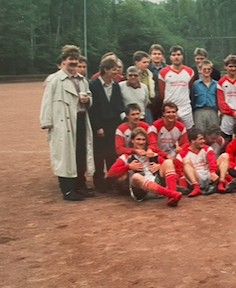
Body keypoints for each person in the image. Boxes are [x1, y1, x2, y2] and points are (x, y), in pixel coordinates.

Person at [40, 45, 94, 201]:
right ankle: (68, 190)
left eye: (76, 59)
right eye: (70, 59)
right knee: (65, 156)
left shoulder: (82, 80)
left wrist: (88, 100)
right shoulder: (55, 79)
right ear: (63, 61)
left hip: (80, 120)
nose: (73, 62)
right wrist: (47, 122)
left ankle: (80, 186)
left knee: (80, 154)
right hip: (63, 123)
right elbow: (47, 102)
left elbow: (89, 96)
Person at [106, 127, 182, 207]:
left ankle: (172, 198)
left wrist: (160, 166)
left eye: (143, 140)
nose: (141, 142)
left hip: (158, 187)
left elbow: (172, 169)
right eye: (138, 139)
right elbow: (110, 173)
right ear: (132, 140)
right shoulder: (126, 157)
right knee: (135, 177)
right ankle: (171, 193)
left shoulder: (151, 154)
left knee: (168, 162)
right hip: (141, 192)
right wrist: (129, 167)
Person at [89, 57, 126, 193]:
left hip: (113, 124)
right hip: (99, 124)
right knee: (99, 155)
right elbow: (93, 109)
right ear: (105, 70)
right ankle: (99, 183)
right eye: (114, 70)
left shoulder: (115, 85)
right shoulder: (93, 85)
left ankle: (111, 182)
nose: (117, 72)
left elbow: (119, 105)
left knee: (112, 154)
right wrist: (98, 127)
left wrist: (124, 118)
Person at [159, 45, 194, 129]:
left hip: (185, 108)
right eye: (174, 55)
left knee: (188, 131)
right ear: (170, 57)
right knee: (170, 130)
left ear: (182, 56)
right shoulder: (163, 72)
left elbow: (190, 87)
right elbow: (162, 92)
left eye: (178, 55)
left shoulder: (190, 72)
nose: (176, 57)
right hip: (170, 109)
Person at [178, 128, 220, 197]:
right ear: (193, 141)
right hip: (196, 178)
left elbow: (212, 162)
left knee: (224, 156)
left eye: (203, 139)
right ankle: (196, 187)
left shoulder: (207, 149)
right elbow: (180, 172)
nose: (203, 141)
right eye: (200, 139)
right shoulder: (181, 155)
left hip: (209, 177)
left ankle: (223, 183)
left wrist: (213, 172)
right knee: (186, 160)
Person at [191, 60, 219, 133]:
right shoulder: (196, 84)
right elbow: (193, 99)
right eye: (204, 69)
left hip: (212, 111)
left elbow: (218, 98)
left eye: (209, 69)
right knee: (200, 133)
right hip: (199, 111)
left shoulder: (216, 84)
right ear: (200, 70)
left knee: (213, 133)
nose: (207, 71)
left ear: (211, 70)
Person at [133, 51, 155, 123]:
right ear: (137, 63)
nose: (147, 64)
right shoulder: (129, 77)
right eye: (144, 62)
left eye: (148, 62)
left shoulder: (151, 76)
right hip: (133, 108)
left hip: (147, 107)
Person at [148, 43, 167, 120]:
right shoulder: (146, 70)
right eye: (154, 54)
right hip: (151, 103)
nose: (157, 56)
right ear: (150, 56)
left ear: (162, 56)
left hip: (164, 101)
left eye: (159, 54)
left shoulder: (168, 69)